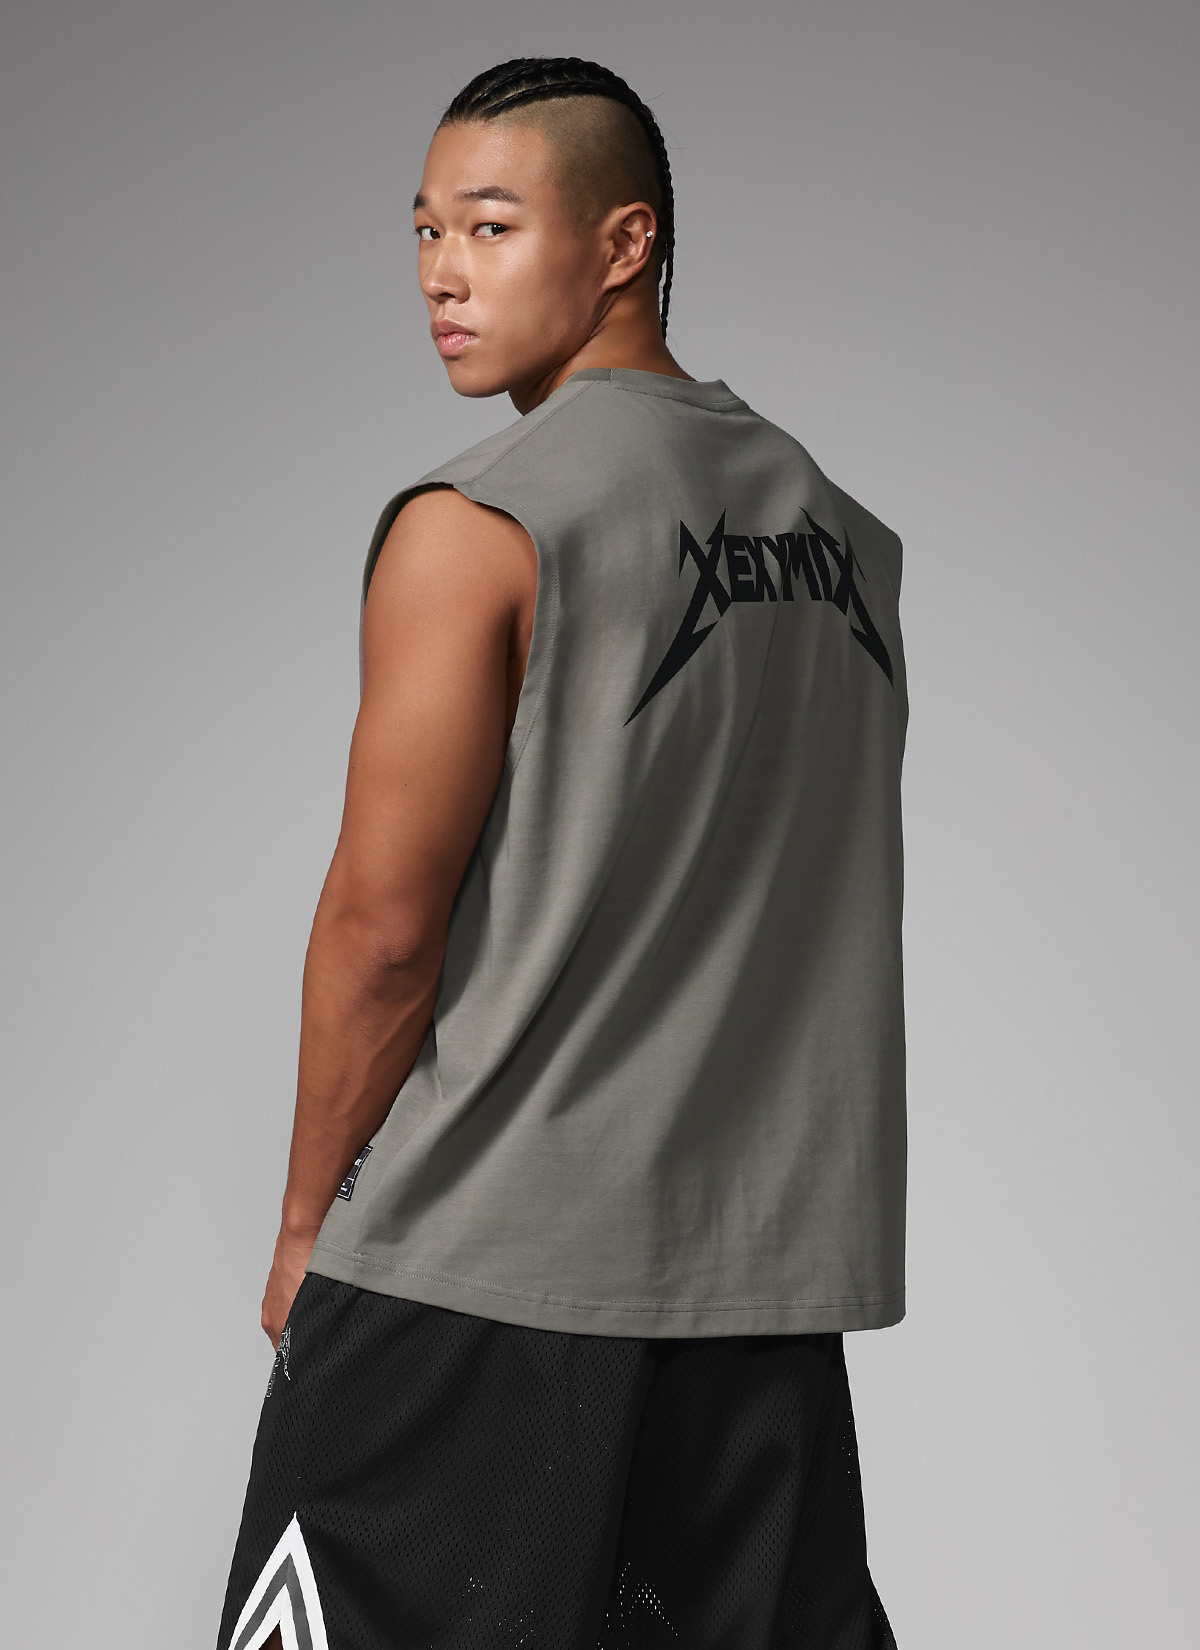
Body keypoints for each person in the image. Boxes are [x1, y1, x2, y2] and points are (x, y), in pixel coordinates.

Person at [216, 55, 907, 1650]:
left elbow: (386, 928)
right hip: (756, 1301)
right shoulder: (847, 545)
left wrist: (309, 1221)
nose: (441, 274)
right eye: (424, 230)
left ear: (623, 243)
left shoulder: (481, 523)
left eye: (490, 224)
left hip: (483, 1277)